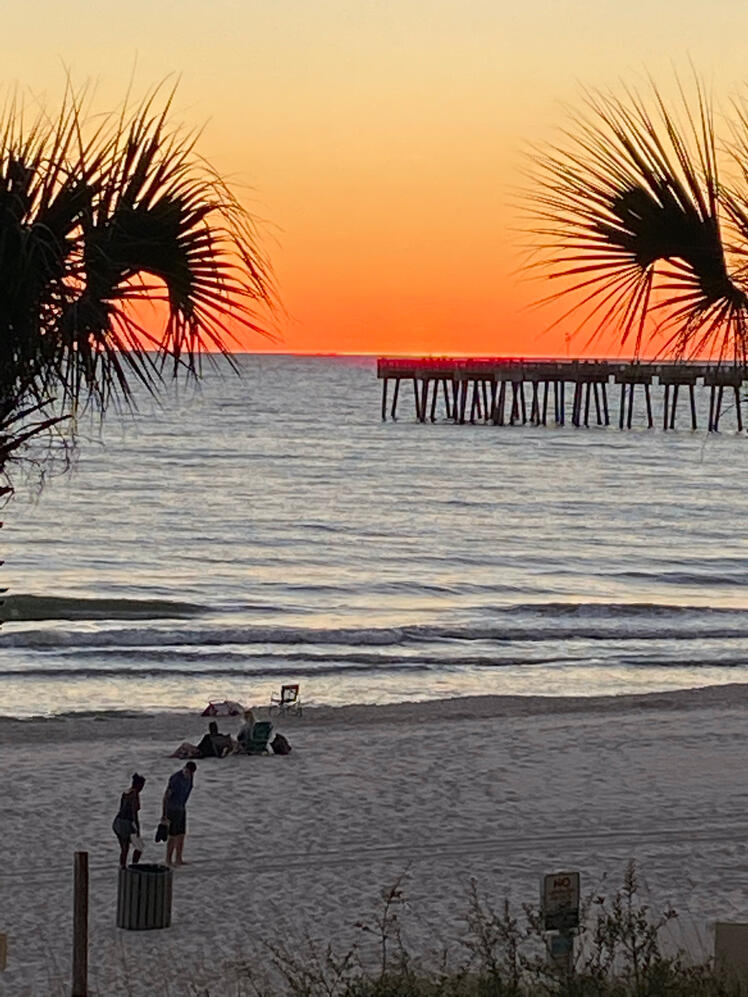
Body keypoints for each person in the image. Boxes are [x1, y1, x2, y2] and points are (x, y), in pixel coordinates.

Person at [162, 761, 196, 866]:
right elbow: (166, 797)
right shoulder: (175, 779)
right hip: (172, 809)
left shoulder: (190, 778)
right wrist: (164, 814)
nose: (188, 774)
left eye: (190, 773)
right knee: (172, 836)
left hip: (181, 808)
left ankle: (178, 858)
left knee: (181, 834)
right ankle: (168, 860)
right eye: (187, 771)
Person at [113, 772, 146, 868]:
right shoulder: (135, 794)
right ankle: (134, 866)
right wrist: (137, 829)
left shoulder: (125, 792)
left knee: (124, 849)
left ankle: (122, 867)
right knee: (139, 847)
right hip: (126, 823)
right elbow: (134, 813)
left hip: (117, 822)